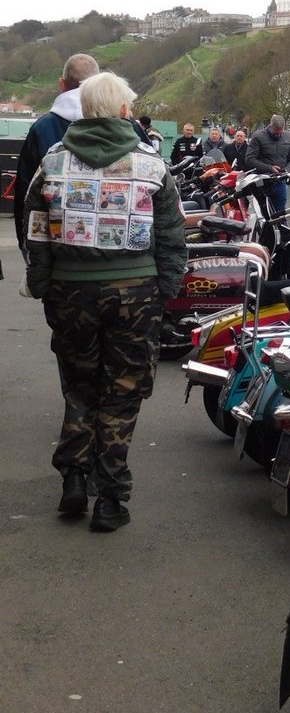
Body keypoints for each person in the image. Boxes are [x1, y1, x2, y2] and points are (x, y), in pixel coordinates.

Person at [22, 71, 188, 532]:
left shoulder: (53, 162)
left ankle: (74, 477)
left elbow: (36, 229)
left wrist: (41, 282)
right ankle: (110, 498)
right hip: (136, 292)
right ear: (121, 111)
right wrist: (166, 290)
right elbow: (172, 235)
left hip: (71, 291)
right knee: (123, 389)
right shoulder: (152, 164)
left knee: (79, 383)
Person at [14, 53, 100, 258]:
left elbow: (24, 192)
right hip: (122, 258)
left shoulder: (41, 129)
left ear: (62, 84)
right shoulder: (126, 124)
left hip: (56, 251)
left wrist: (26, 245)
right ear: (99, 83)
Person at [245, 114, 290, 212]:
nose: (278, 135)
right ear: (270, 126)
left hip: (279, 181)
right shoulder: (258, 136)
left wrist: (287, 170)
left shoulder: (289, 137)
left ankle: (280, 226)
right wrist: (269, 168)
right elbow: (249, 159)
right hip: (261, 182)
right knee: (263, 213)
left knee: (280, 212)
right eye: (276, 132)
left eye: (280, 132)